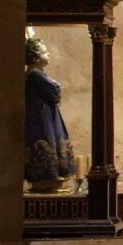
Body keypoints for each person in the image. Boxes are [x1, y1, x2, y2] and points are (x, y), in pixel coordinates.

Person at [24, 35, 76, 192]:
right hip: (42, 119)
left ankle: (50, 179)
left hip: (45, 116)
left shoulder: (37, 74)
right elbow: (54, 91)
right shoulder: (35, 74)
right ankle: (46, 179)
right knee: (47, 143)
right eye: (45, 52)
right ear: (35, 56)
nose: (49, 54)